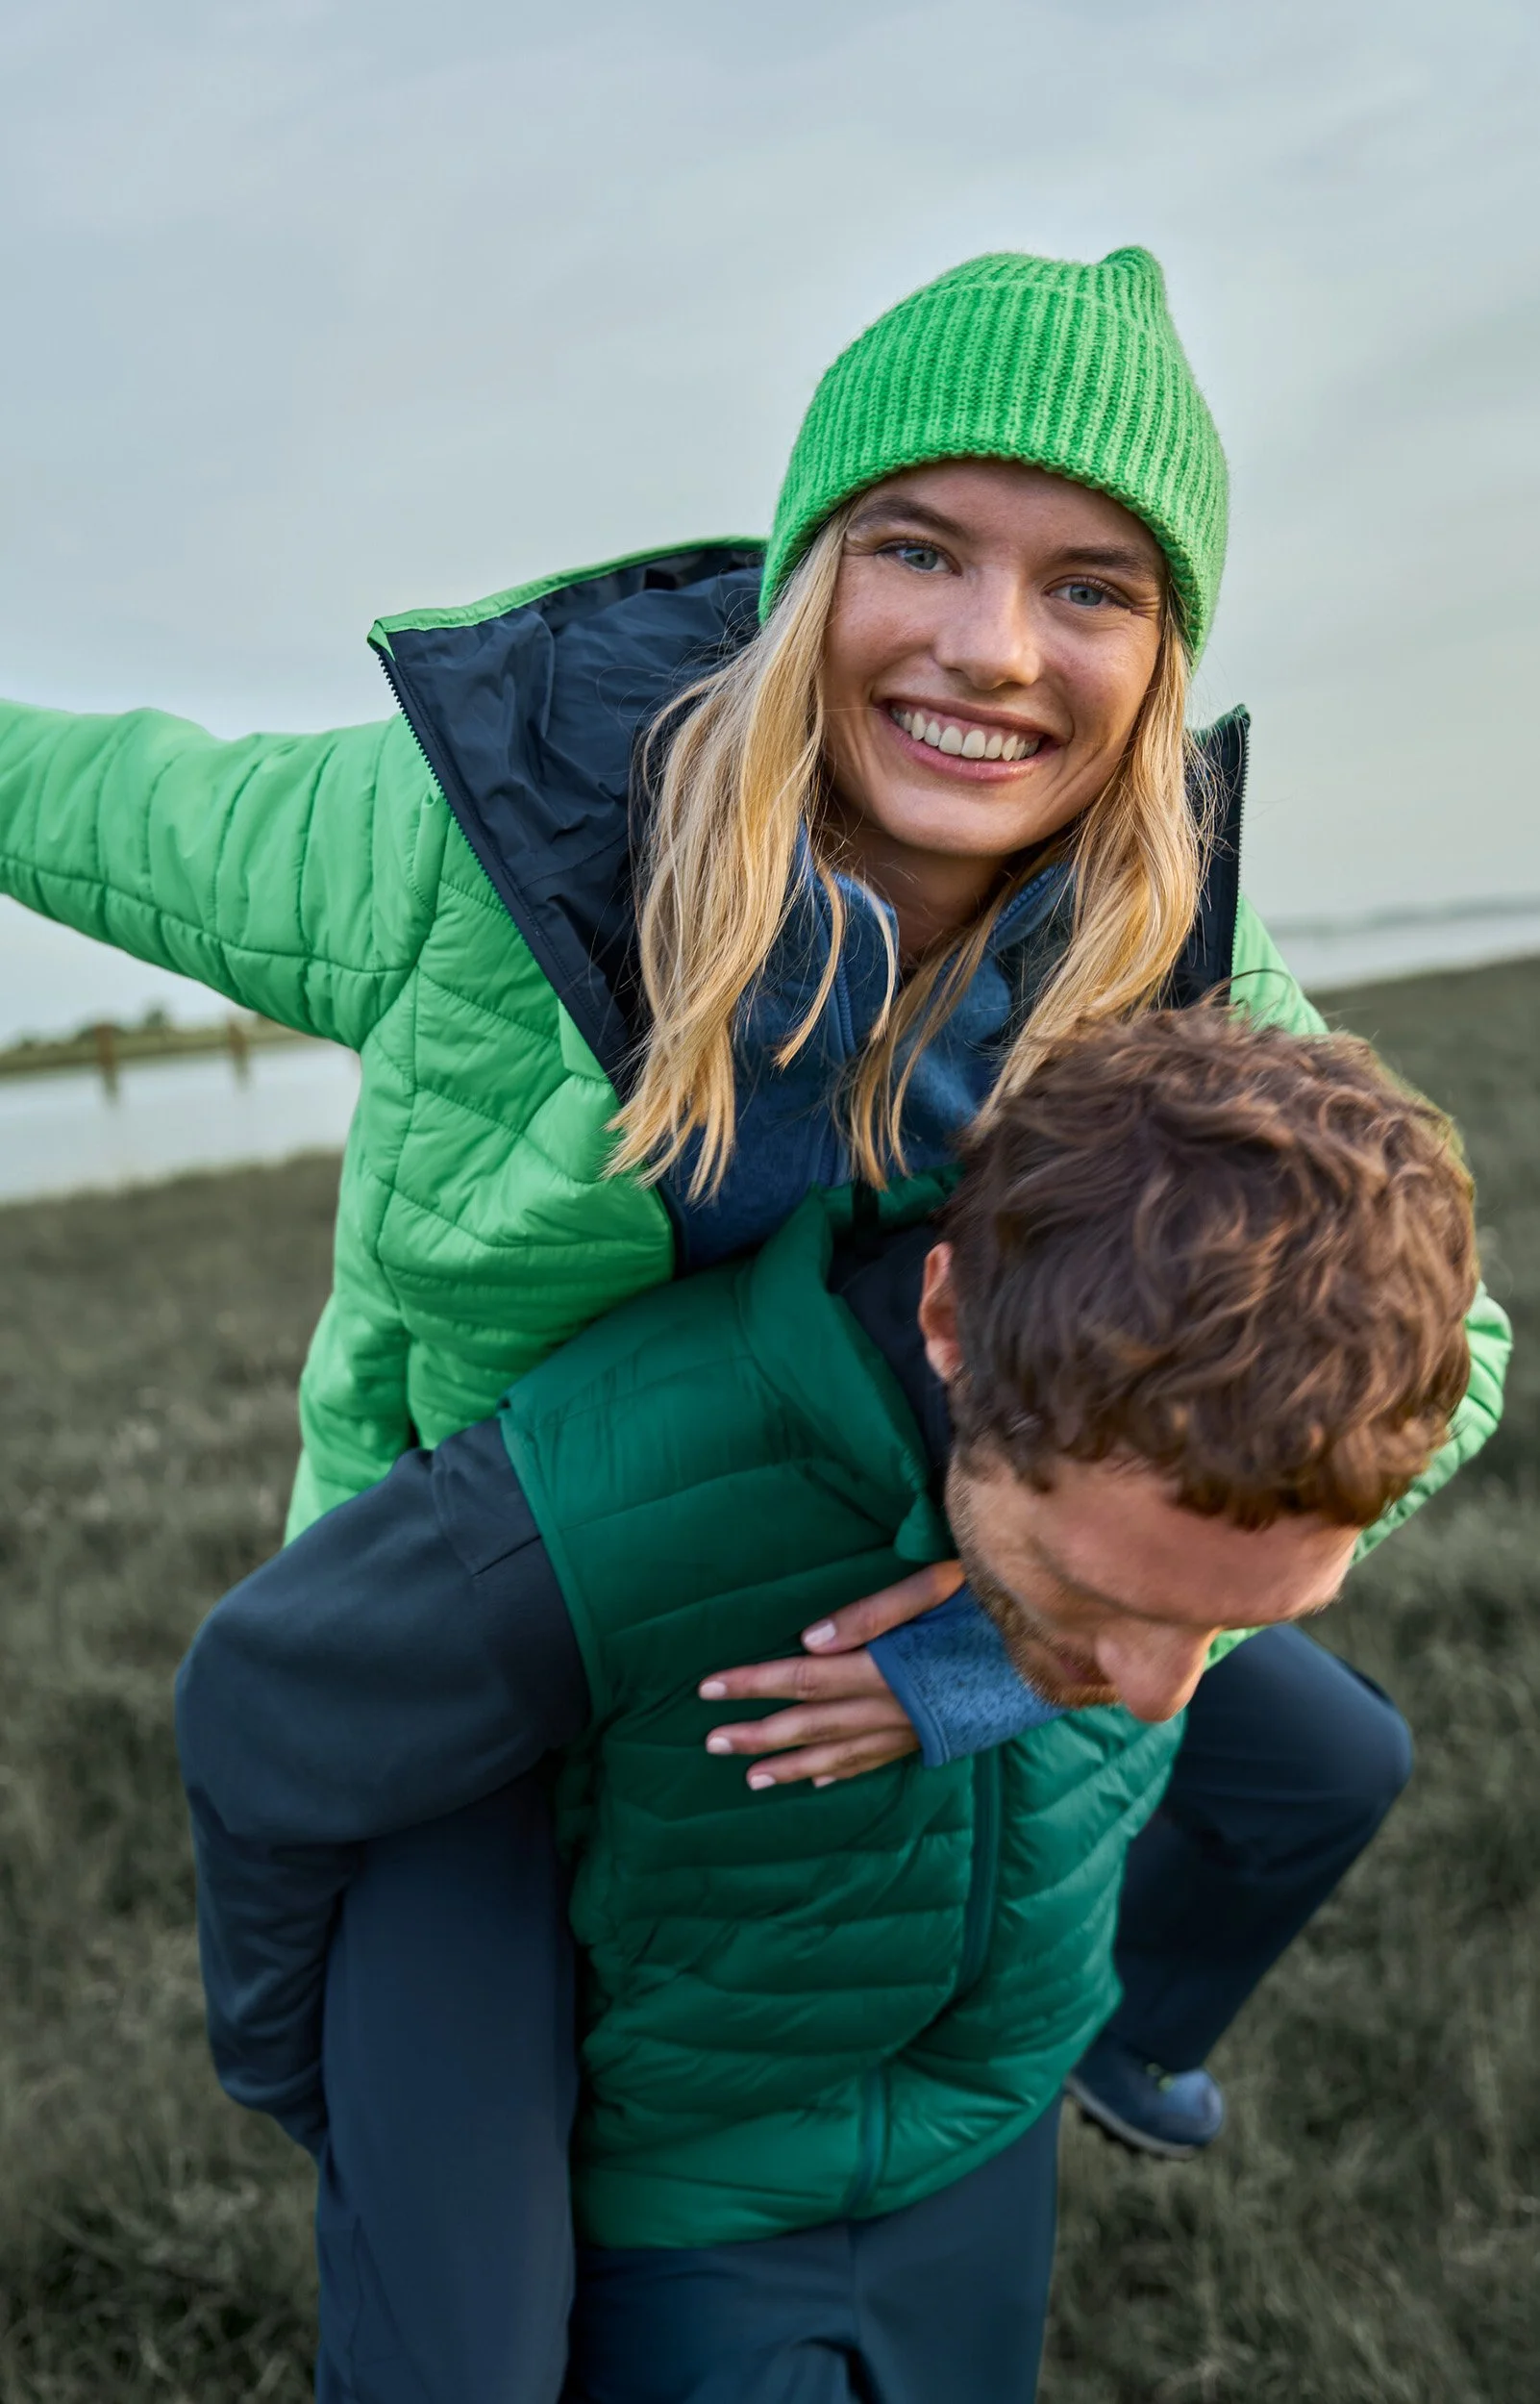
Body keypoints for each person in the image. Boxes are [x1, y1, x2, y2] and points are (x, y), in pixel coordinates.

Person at [0, 245, 1507, 2319]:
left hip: (870, 1544)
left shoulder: (1164, 952)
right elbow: (85, 799)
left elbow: (1446, 1354)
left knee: (1317, 1751)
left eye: (1091, 586)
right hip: (504, 1608)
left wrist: (1003, 1647)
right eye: (921, 546)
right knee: (465, 2298)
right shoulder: (493, 830)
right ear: (816, 562)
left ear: (1160, 656)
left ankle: (1121, 2042)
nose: (992, 649)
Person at [178, 1008, 1484, 2404]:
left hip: (978, 2154)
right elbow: (262, 1706)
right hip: (685, 2213)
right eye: (1094, 1597)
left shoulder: (1220, 1484)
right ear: (948, 1328)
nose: (1161, 1693)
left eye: (1234, 1622)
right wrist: (300, 2074)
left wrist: (984, 1668)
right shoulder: (615, 1504)